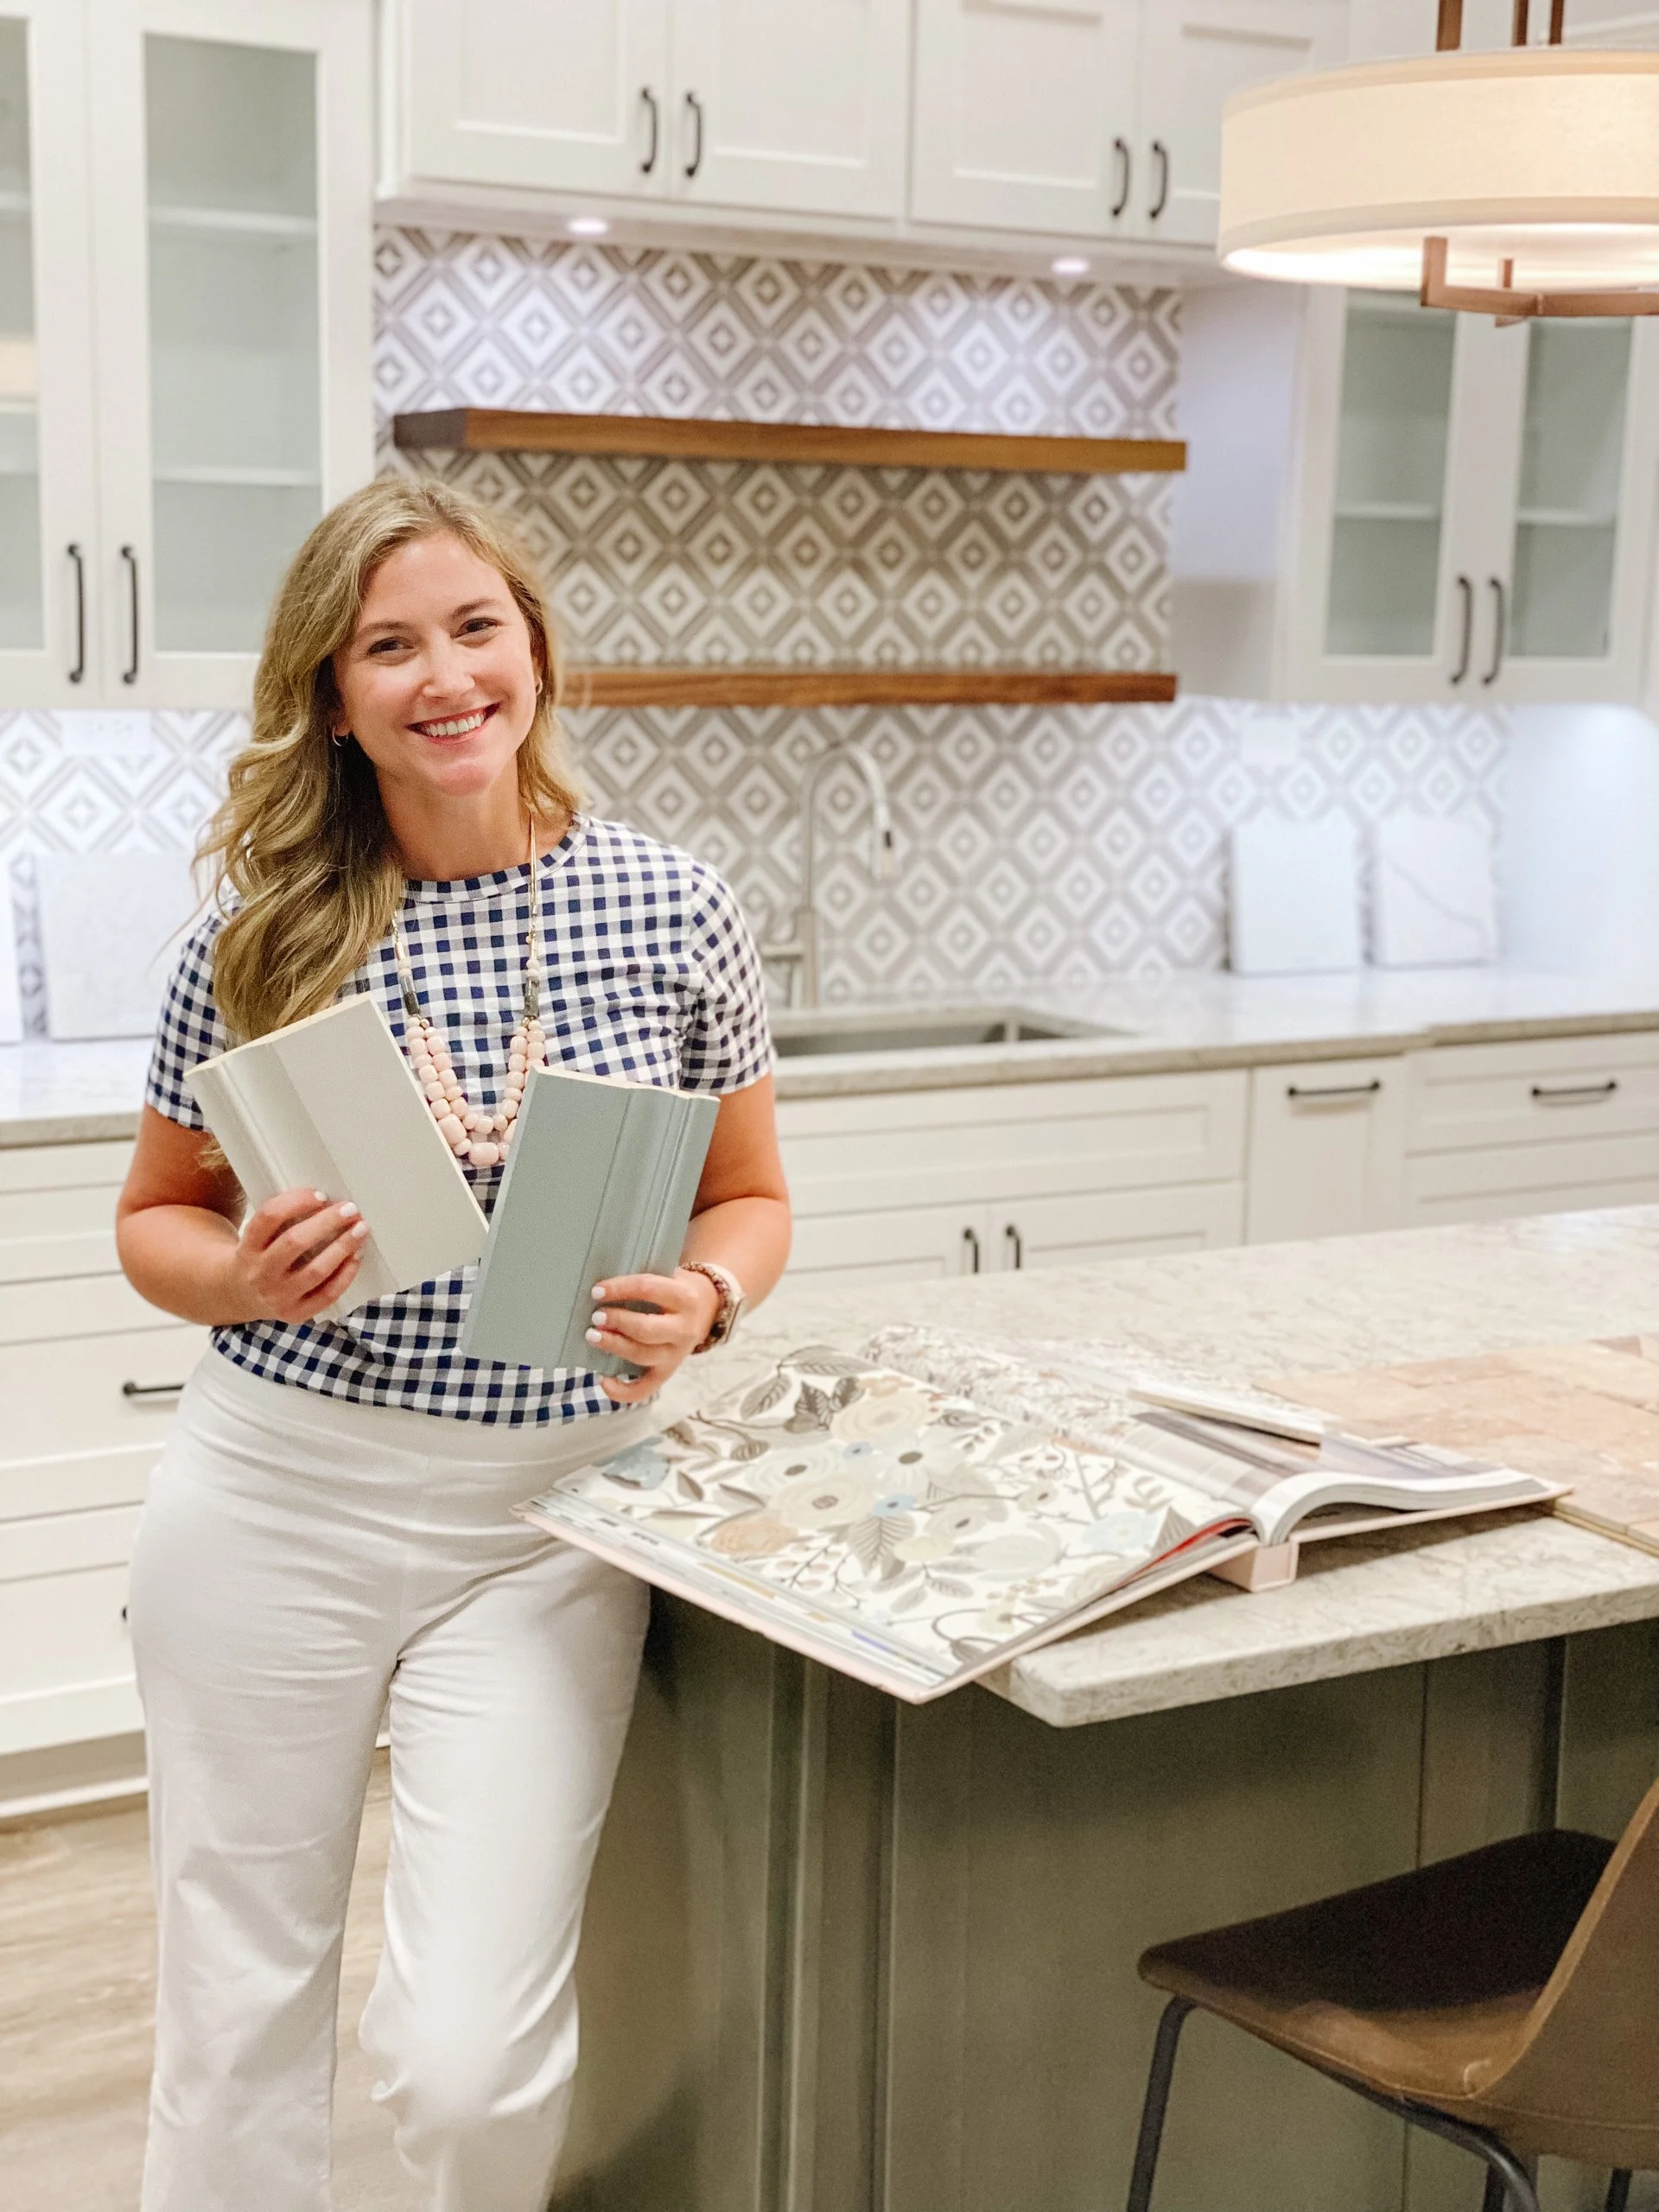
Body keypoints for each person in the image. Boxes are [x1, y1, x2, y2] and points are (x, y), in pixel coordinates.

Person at [115, 476, 791, 2212]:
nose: (445, 676)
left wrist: (706, 1292)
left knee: (472, 2061)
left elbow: (754, 1197)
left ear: (535, 648)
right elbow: (151, 1221)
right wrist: (247, 1273)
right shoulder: (256, 941)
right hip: (273, 1496)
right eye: (387, 645)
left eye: (475, 627)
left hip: (552, 1521)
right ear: (332, 697)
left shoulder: (672, 908)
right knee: (238, 1999)